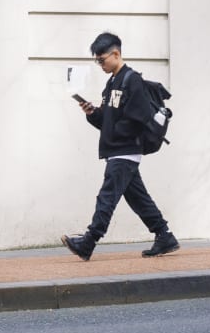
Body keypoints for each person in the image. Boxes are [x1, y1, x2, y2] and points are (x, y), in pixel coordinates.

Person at [61, 32, 179, 261]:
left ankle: (88, 242)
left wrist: (116, 130)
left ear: (116, 53)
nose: (100, 64)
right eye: (97, 61)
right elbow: (107, 120)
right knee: (137, 198)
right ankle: (164, 236)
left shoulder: (131, 79)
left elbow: (141, 116)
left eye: (102, 60)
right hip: (118, 149)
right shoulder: (112, 83)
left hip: (125, 150)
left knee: (107, 197)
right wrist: (93, 113)